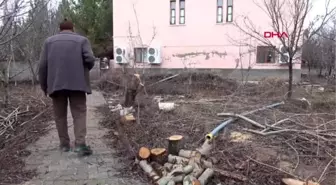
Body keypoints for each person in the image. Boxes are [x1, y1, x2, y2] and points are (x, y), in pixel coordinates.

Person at [38, 18, 96, 156]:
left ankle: (64, 145)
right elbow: (90, 59)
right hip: (78, 84)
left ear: (60, 28)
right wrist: (84, 69)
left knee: (60, 116)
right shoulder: (82, 41)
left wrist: (44, 86)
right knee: (79, 114)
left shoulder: (49, 42)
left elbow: (42, 66)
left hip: (56, 85)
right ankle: (80, 145)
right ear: (73, 28)